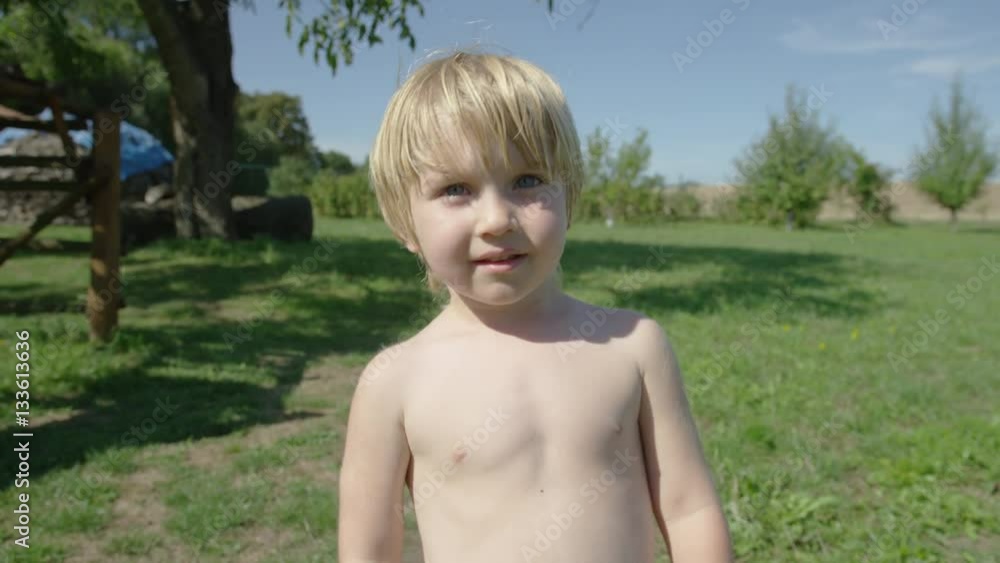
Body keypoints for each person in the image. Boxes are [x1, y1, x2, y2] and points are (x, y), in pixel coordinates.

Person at [337, 49, 733, 563]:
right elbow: (369, 547)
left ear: (571, 193)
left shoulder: (633, 347)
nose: (497, 219)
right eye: (456, 189)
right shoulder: (394, 381)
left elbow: (687, 508)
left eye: (527, 181)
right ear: (403, 223)